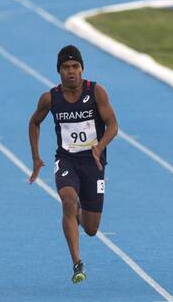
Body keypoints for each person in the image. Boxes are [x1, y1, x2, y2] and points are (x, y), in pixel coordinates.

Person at [28, 45, 119, 284]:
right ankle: (77, 263)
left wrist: (99, 146)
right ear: (59, 71)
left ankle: (79, 211)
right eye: (66, 67)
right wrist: (36, 158)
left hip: (94, 163)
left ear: (82, 69)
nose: (71, 72)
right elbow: (34, 123)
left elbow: (113, 125)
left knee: (90, 228)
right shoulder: (51, 98)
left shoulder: (96, 92)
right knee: (68, 200)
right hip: (66, 159)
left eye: (75, 67)